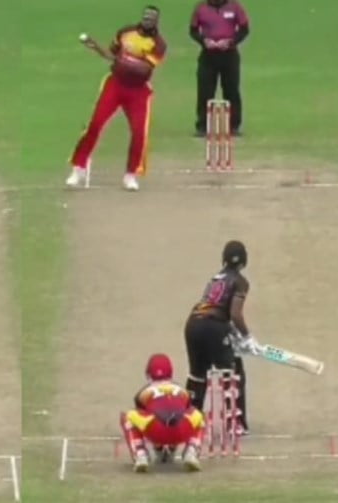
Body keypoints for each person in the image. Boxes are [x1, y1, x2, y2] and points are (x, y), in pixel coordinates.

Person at [66, 5, 167, 192]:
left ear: (156, 21)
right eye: (145, 17)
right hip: (115, 85)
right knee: (95, 124)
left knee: (139, 133)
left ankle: (131, 174)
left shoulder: (158, 44)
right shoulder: (126, 32)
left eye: (151, 18)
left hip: (138, 91)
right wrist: (104, 52)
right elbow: (112, 53)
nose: (147, 20)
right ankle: (78, 167)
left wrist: (124, 60)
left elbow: (144, 69)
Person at [183, 240, 255, 434]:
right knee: (232, 370)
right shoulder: (240, 281)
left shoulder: (215, 279)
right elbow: (234, 314)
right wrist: (247, 337)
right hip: (214, 327)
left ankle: (190, 420)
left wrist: (232, 333)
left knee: (197, 374)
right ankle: (235, 423)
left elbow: (214, 307)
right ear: (244, 260)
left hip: (193, 324)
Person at [119, 354, 204, 472]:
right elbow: (180, 412)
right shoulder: (182, 390)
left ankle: (140, 454)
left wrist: (158, 443)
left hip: (156, 430)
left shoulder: (144, 392)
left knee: (128, 416)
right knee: (199, 416)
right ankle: (191, 451)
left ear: (148, 373)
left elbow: (146, 416)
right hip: (181, 430)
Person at [189, 0, 250, 136]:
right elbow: (193, 30)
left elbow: (244, 29)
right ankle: (203, 126)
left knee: (231, 90)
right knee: (205, 90)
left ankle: (233, 126)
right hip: (208, 55)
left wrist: (231, 42)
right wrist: (204, 41)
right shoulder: (201, 7)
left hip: (229, 55)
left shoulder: (235, 6)